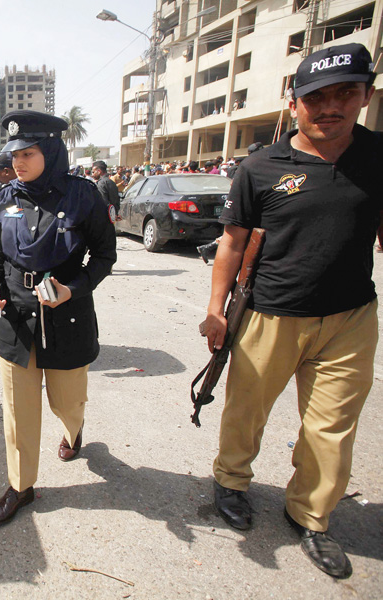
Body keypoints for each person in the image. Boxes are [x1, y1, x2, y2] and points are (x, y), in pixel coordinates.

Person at [201, 43, 380, 579]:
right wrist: (215, 310)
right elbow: (232, 245)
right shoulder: (260, 168)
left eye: (346, 93)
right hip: (270, 314)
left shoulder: (378, 157)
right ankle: (231, 483)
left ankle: (312, 516)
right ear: (295, 103)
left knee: (333, 426)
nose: (331, 107)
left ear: (365, 95)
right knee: (246, 411)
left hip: (350, 319)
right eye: (317, 97)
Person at [0, 110, 117, 526]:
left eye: (28, 152)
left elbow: (105, 254)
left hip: (66, 317)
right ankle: (21, 486)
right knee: (18, 413)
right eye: (13, 153)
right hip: (15, 318)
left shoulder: (84, 195)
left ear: (52, 151)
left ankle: (74, 431)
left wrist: (73, 288)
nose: (17, 162)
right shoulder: (5, 197)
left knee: (67, 401)